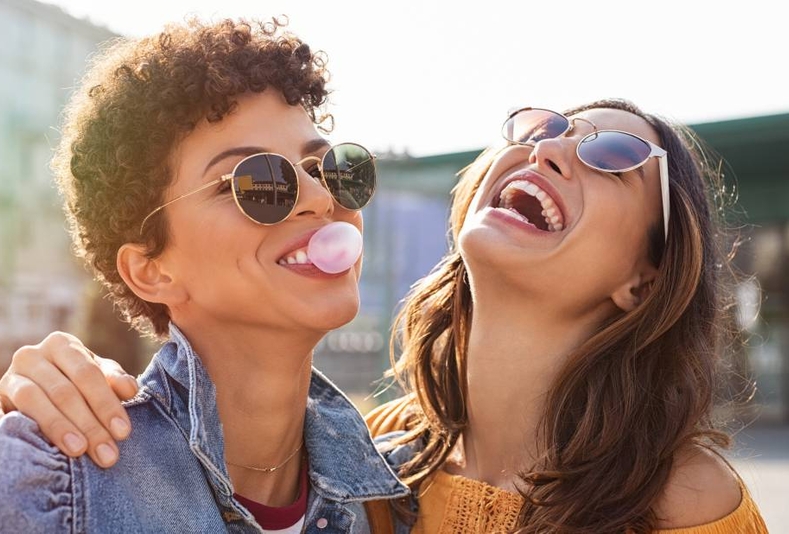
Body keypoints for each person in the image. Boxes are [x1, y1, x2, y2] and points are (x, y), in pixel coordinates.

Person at [0, 97, 769, 531]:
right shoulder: (377, 475)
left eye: (610, 157)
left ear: (644, 280)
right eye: (541, 130)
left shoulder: (686, 505)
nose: (549, 151)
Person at [0, 16, 409, 532]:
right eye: (257, 182)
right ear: (151, 271)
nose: (320, 198)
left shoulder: (396, 497)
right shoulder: (49, 483)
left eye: (326, 168)